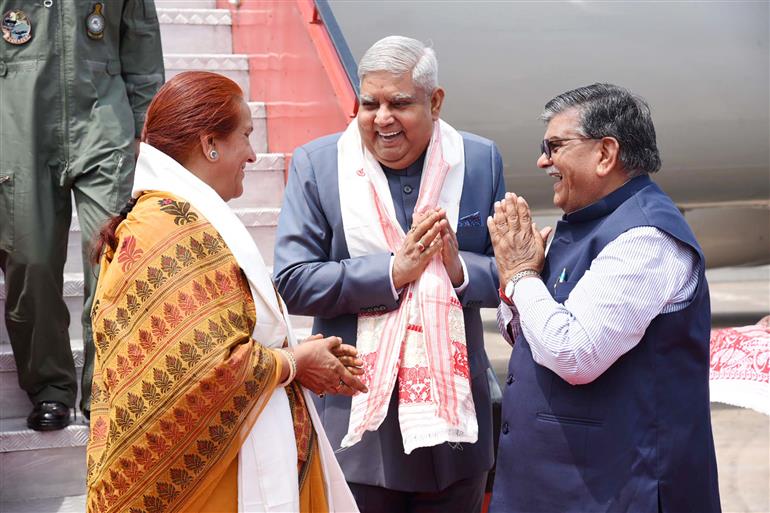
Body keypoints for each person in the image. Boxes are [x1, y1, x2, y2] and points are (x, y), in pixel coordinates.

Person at [86, 71, 364, 513]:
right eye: (246, 136)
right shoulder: (167, 230)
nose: (254, 154)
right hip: (208, 486)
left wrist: (294, 352)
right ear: (209, 144)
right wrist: (292, 362)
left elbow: (220, 338)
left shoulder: (184, 219)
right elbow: (198, 371)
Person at [274, 36, 505, 513]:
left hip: (456, 422)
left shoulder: (477, 161)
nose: (382, 119)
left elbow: (507, 270)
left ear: (435, 102)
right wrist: (392, 273)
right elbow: (292, 280)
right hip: (360, 421)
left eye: (399, 103)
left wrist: (458, 268)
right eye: (369, 103)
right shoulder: (320, 166)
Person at [488, 83, 720, 512]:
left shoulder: (645, 237)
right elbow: (528, 335)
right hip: (561, 485)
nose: (543, 160)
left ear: (605, 153)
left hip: (619, 488)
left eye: (555, 146)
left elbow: (575, 354)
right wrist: (514, 286)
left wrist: (521, 277)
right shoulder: (584, 224)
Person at [0, 0, 164, 430]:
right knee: (30, 262)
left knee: (113, 260)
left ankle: (106, 389)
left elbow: (141, 43)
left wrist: (146, 128)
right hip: (18, 125)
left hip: (103, 122)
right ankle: (49, 388)